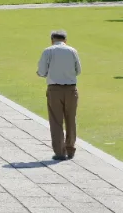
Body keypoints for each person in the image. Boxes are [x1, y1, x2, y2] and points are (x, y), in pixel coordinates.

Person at [37, 29, 81, 161]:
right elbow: (78, 70)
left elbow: (42, 71)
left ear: (52, 40)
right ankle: (70, 148)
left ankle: (60, 152)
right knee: (71, 119)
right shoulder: (72, 51)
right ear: (65, 40)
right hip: (71, 89)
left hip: (54, 89)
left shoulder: (48, 51)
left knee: (56, 121)